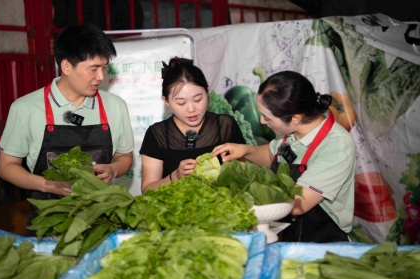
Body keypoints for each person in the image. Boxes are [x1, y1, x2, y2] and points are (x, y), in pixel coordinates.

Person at [0, 23, 134, 234]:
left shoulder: (115, 106)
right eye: (94, 68)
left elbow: (125, 156)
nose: (100, 76)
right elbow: (6, 166)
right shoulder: (26, 108)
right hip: (47, 222)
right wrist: (46, 185)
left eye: (105, 68)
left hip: (102, 219)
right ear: (66, 67)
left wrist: (114, 169)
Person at [212, 71, 356, 243]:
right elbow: (273, 155)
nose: (262, 122)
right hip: (288, 232)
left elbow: (298, 203)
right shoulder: (292, 131)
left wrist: (238, 203)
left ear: (295, 118)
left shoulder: (337, 145)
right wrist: (246, 151)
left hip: (321, 239)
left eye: (267, 117)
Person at [139, 57, 246, 193]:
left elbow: (244, 172)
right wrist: (175, 176)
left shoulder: (226, 125)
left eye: (198, 99)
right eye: (181, 103)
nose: (191, 109)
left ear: (207, 92)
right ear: (166, 101)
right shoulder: (157, 134)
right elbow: (147, 190)